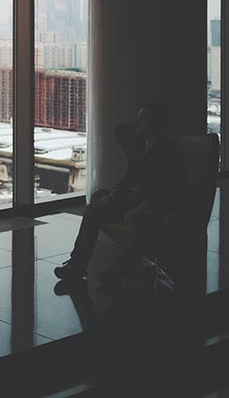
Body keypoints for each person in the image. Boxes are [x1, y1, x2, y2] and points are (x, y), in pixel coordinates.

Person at [55, 103, 186, 284]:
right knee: (94, 209)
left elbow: (164, 192)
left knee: (144, 224)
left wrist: (140, 209)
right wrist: (113, 195)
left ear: (156, 124)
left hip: (158, 207)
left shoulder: (171, 152)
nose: (137, 123)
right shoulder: (140, 147)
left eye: (143, 119)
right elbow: (129, 178)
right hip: (137, 201)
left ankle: (117, 271)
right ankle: (76, 266)